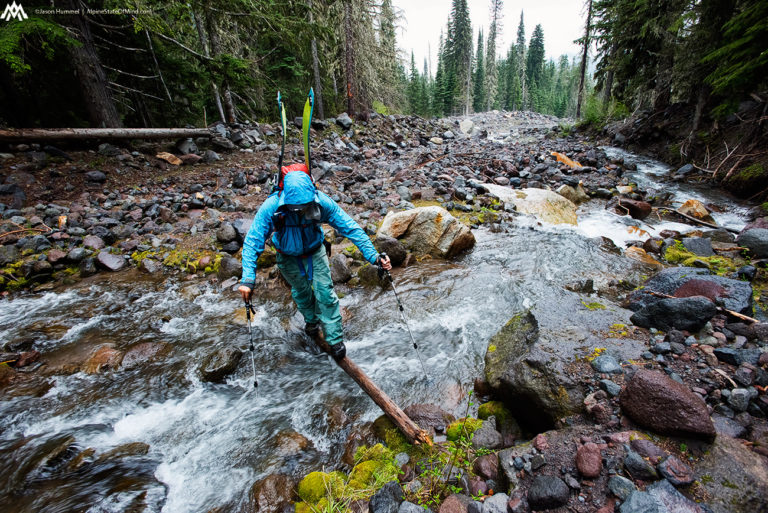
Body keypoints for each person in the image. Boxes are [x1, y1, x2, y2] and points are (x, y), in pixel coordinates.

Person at [238, 170, 391, 360]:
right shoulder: (272, 207)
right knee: (301, 292)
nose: (300, 210)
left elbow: (351, 228)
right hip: (286, 256)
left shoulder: (322, 203)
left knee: (325, 293)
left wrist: (374, 257)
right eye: (295, 207)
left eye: (304, 206)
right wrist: (248, 279)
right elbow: (253, 241)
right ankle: (311, 322)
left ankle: (335, 340)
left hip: (315, 251)